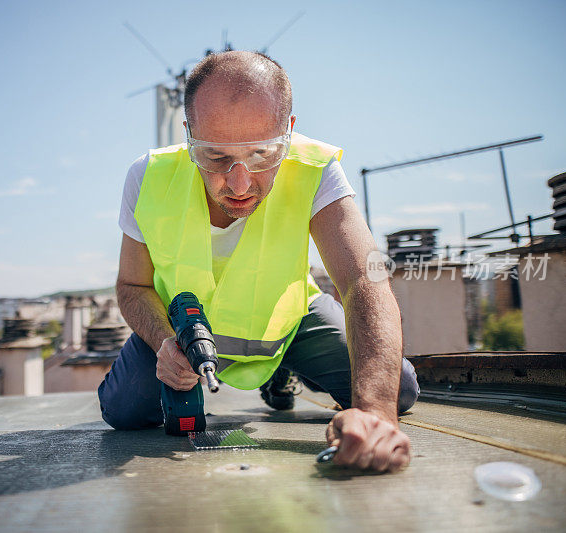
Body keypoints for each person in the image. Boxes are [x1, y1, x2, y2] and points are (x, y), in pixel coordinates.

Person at [98, 50, 419, 473]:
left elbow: (365, 278)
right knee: (123, 412)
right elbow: (132, 286)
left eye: (262, 155)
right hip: (181, 331)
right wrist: (163, 342)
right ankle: (257, 370)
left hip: (287, 324)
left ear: (288, 131)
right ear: (189, 132)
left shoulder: (315, 169)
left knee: (398, 390)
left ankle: (279, 371)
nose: (239, 183)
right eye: (214, 157)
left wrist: (375, 415)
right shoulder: (147, 177)